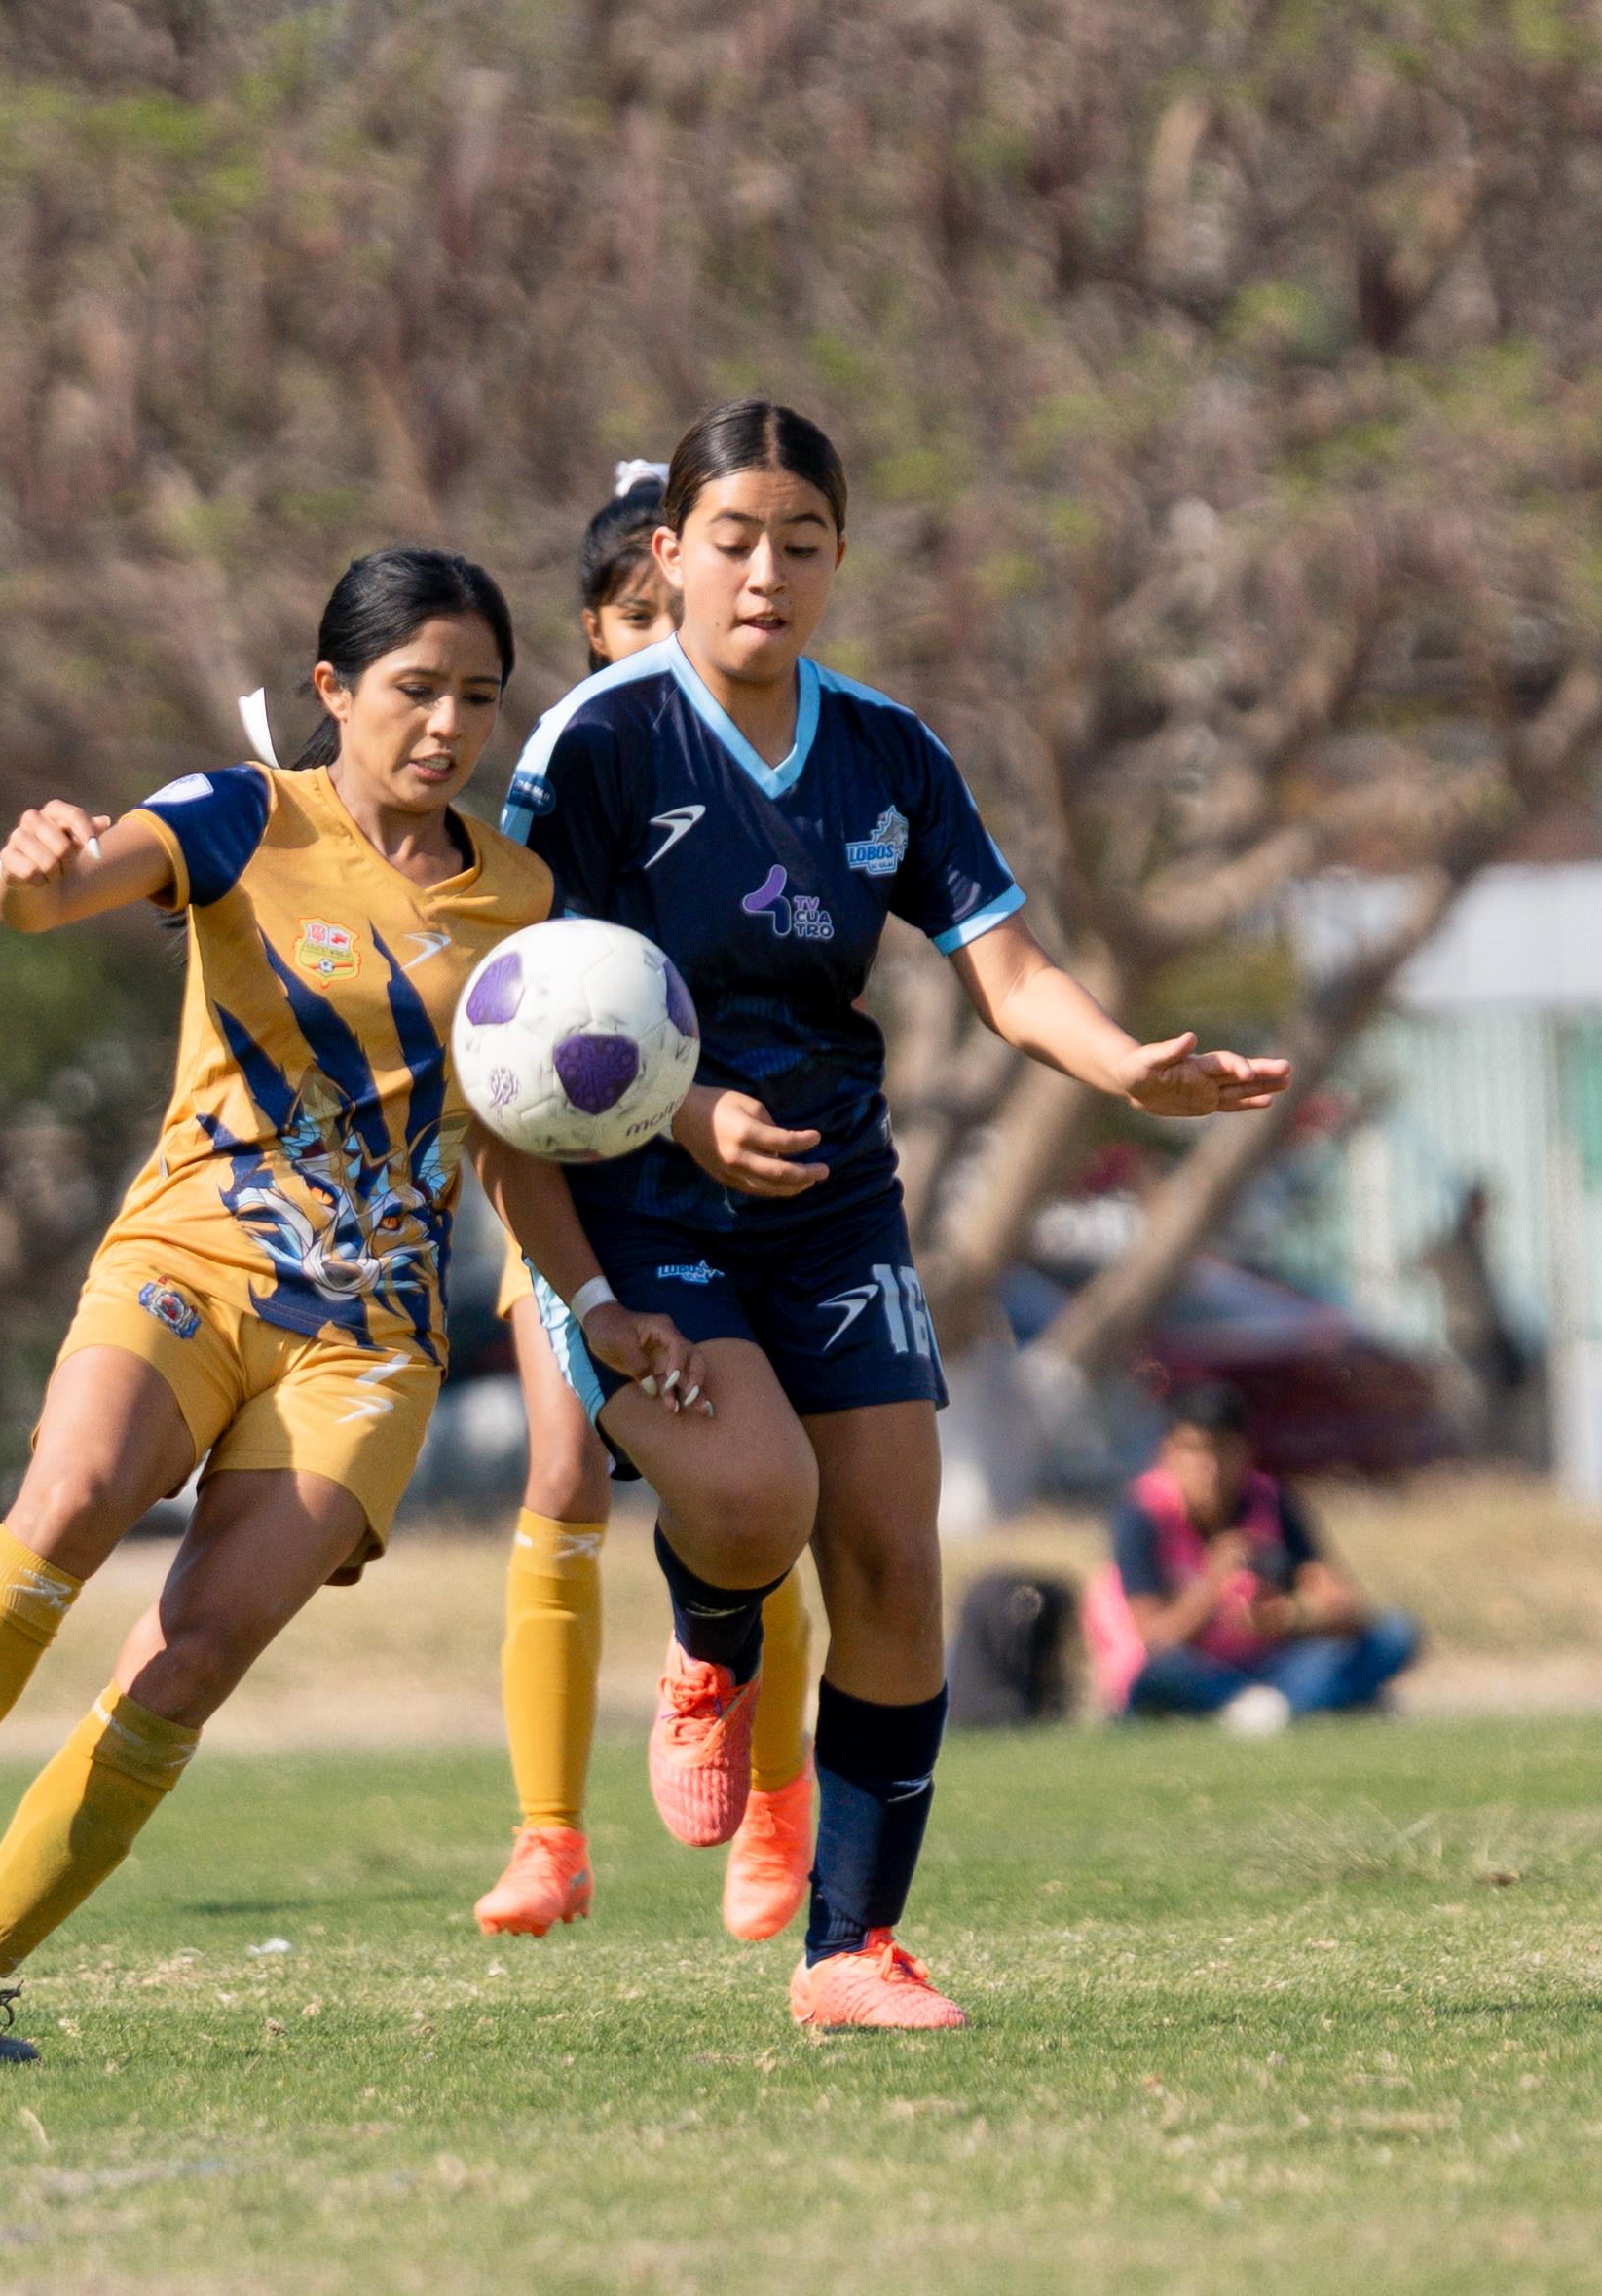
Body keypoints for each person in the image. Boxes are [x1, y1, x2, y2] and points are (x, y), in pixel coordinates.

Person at [0, 548, 707, 2069]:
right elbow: (50, 896)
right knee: (68, 1499)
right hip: (188, 1263)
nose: (447, 725)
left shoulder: (521, 901)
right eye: (414, 689)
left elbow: (511, 1136)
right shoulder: (240, 814)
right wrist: (28, 867)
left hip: (369, 1340)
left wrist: (591, 1302)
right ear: (332, 688)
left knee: (193, 1651)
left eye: (477, 697)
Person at [503, 400, 1287, 2029]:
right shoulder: (593, 744)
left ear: (837, 558)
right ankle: (712, 1639)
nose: (764, 574)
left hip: (837, 1199)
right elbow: (521, 1004)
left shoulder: (884, 749)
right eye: (732, 541)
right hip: (643, 1201)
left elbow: (1006, 968)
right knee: (753, 1501)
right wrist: (685, 1109)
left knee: (888, 1559)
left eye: (799, 544)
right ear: (669, 553)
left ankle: (847, 1949)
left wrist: (1125, 1066)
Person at [476, 463, 828, 1948]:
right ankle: (547, 1836)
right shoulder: (569, 775)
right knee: (561, 1474)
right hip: (568, 1181)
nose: (657, 642)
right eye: (632, 618)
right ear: (595, 625)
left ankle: (777, 1798)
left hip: (731, 1178)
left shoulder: (770, 764)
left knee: (752, 1488)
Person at [1101, 1383, 1422, 1733]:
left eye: (1222, 1449)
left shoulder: (1270, 1501)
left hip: (1269, 1664)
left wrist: (1288, 1618)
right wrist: (1213, 1583)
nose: (1209, 1467)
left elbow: (1346, 1610)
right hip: (1197, 1669)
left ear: (1244, 1451)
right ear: (1168, 1453)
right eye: (1194, 1450)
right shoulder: (1142, 1513)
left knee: (1394, 1634)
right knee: (1161, 1673)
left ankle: (1260, 1709)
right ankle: (1306, 1703)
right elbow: (1156, 1638)